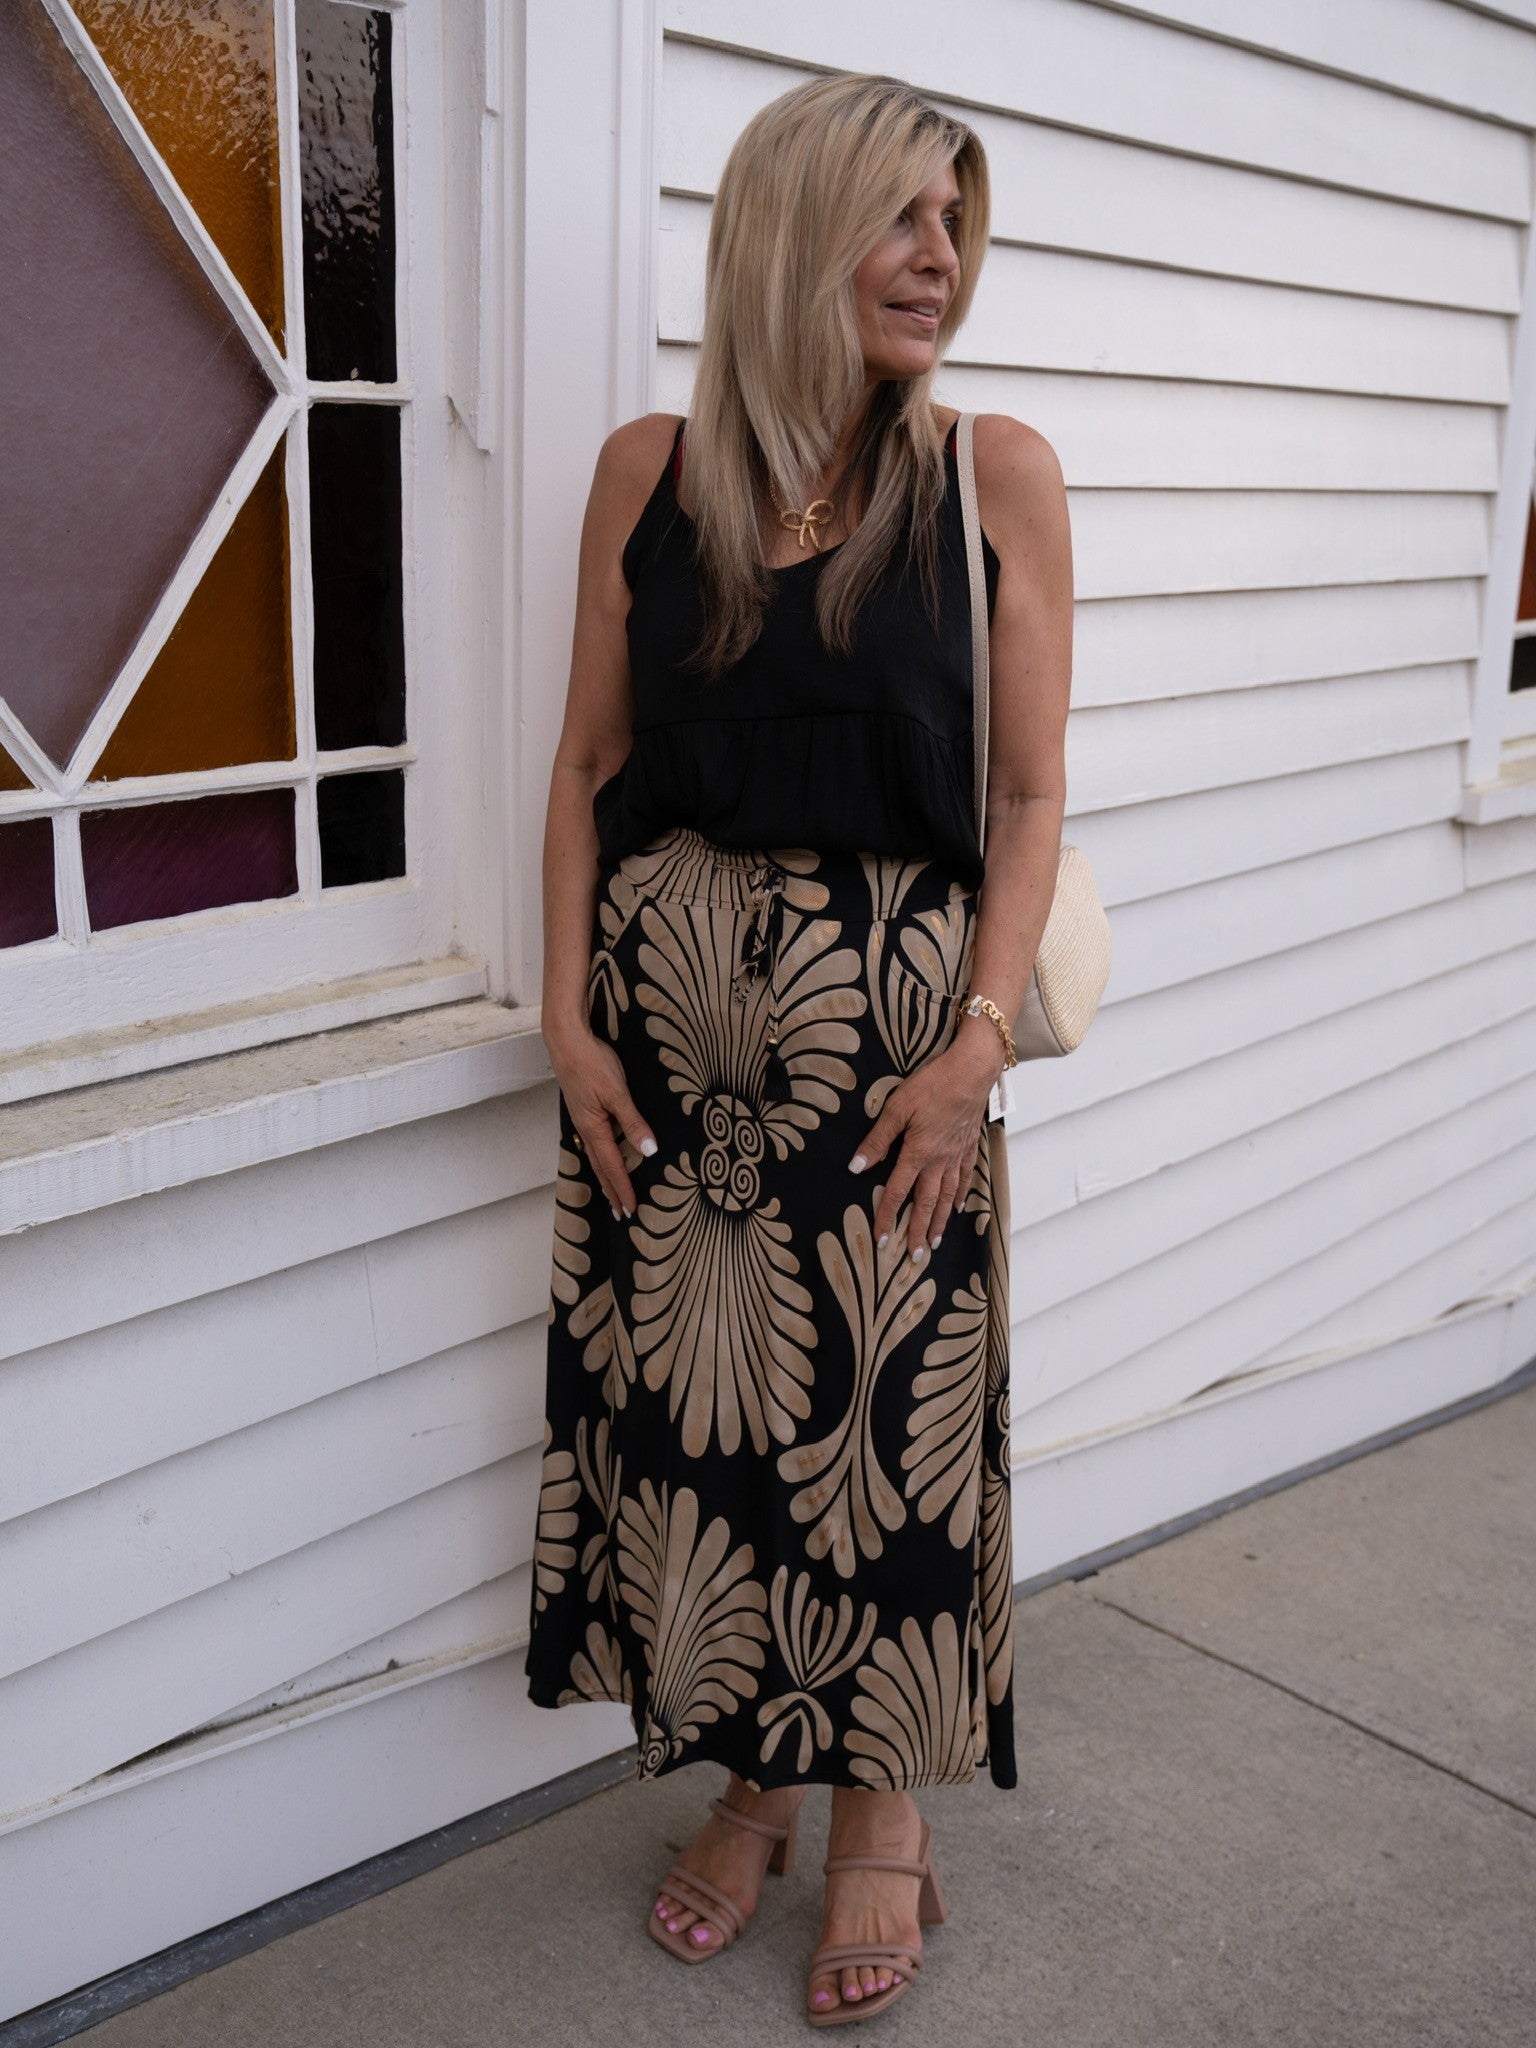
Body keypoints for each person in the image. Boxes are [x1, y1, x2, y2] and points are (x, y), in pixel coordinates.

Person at [525, 70, 1072, 2027]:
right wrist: (567, 1016)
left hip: (898, 1059)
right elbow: (589, 765)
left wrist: (977, 1047)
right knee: (716, 1438)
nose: (939, 256)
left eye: (956, 222)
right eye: (900, 215)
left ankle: (878, 1816)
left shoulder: (992, 473)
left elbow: (1026, 799)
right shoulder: (648, 472)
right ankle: (755, 1779)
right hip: (668, 1067)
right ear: (789, 230)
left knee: (880, 1453)